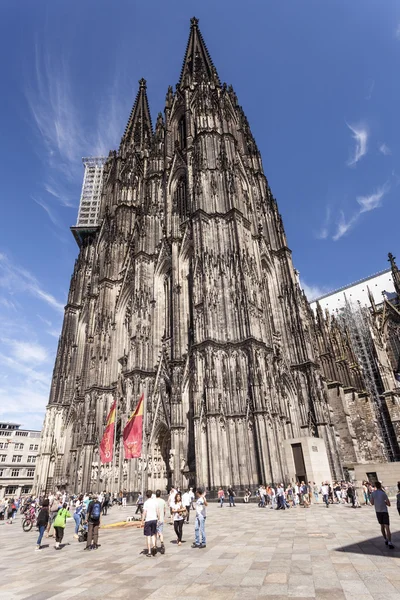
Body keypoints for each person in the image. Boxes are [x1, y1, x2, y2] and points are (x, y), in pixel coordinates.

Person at [370, 481, 394, 549]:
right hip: (384, 511)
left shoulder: (373, 493)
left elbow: (371, 503)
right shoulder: (383, 493)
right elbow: (389, 504)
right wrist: (385, 503)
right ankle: (390, 542)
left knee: (382, 526)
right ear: (380, 486)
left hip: (378, 511)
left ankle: (385, 539)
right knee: (387, 527)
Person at [142, 489, 160, 557]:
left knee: (148, 536)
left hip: (148, 520)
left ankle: (149, 551)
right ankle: (154, 546)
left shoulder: (146, 503)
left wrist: (142, 521)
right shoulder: (155, 502)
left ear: (146, 495)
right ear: (151, 495)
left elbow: (144, 513)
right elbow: (157, 511)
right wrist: (158, 518)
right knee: (153, 534)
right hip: (154, 519)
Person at [155, 489, 166, 554]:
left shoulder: (153, 501)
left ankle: (155, 546)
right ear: (160, 494)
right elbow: (164, 511)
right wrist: (163, 516)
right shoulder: (163, 501)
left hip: (155, 519)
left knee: (155, 533)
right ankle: (162, 543)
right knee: (160, 532)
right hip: (161, 519)